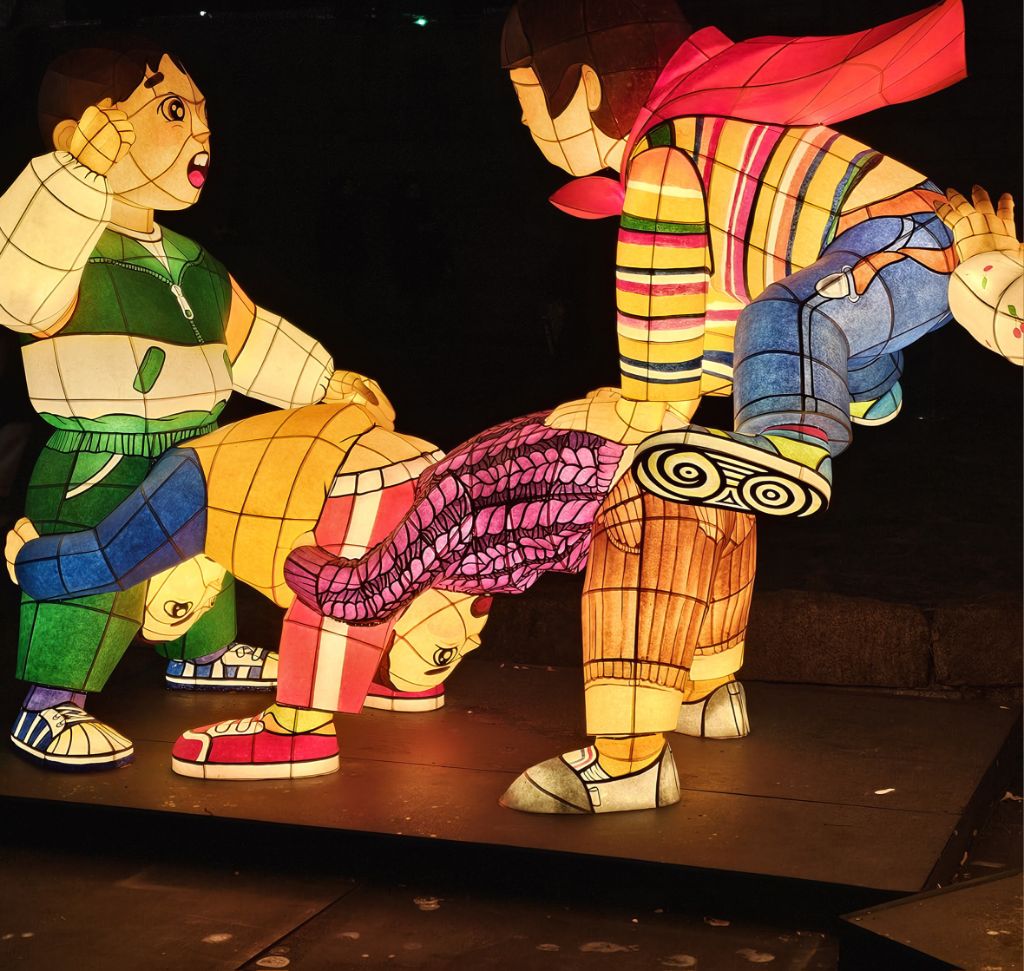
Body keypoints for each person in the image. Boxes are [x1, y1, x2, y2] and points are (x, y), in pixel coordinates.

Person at [0, 43, 392, 770]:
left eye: (202, 111)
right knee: (94, 569)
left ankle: (203, 650)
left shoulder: (193, 260)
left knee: (211, 546)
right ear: (85, 130)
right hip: (99, 458)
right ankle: (51, 701)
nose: (202, 131)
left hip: (197, 445)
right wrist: (73, 177)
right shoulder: (66, 246)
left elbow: (250, 335)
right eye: (174, 110)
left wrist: (323, 381)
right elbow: (18, 286)